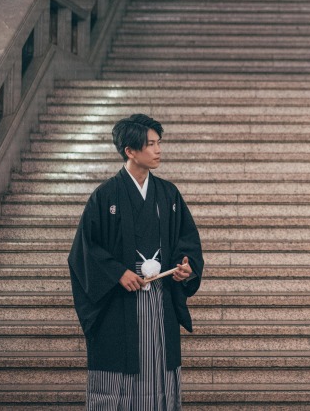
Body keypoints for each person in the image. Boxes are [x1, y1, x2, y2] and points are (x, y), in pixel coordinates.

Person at [68, 113, 204, 410]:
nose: (158, 150)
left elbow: (187, 240)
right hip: (119, 304)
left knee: (160, 372)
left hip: (160, 299)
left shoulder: (168, 194)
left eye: (159, 143)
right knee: (116, 379)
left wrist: (186, 266)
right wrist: (117, 272)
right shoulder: (105, 196)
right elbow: (83, 250)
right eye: (151, 144)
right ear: (130, 151)